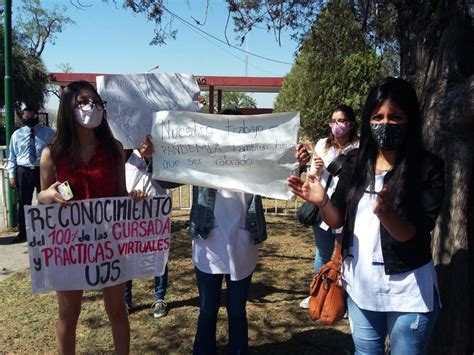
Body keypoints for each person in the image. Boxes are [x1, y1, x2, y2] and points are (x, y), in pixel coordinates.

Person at [288, 77, 444, 354]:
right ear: (368, 120)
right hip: (361, 287)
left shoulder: (428, 167)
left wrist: (386, 214)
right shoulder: (354, 163)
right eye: (378, 117)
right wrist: (323, 201)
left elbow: (415, 234)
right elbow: (337, 220)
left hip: (409, 290)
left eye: (396, 117)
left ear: (411, 120)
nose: (386, 124)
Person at [37, 80, 146, 355]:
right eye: (83, 102)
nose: (91, 107)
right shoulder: (52, 154)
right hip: (70, 245)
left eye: (96, 102)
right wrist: (45, 197)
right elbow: (43, 197)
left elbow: (120, 195)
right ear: (68, 109)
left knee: (117, 310)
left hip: (109, 243)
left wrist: (133, 199)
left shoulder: (113, 150)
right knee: (68, 314)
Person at [297, 105, 359, 309]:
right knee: (322, 253)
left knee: (345, 255)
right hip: (322, 208)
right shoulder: (323, 144)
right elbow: (312, 177)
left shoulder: (360, 147)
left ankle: (344, 299)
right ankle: (317, 294)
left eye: (340, 121)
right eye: (333, 121)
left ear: (350, 124)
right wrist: (315, 169)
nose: (336, 125)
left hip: (346, 209)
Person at [123, 139, 179, 318]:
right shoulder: (126, 162)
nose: (147, 144)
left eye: (150, 140)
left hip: (156, 220)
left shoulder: (162, 162)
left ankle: (159, 298)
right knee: (127, 255)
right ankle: (125, 299)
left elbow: (174, 181)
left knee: (159, 256)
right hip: (130, 220)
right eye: (143, 140)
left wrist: (154, 161)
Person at [7, 107, 54, 242]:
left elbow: (55, 152)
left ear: (36, 116)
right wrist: (12, 175)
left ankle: (48, 232)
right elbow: (12, 156)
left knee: (46, 202)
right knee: (24, 203)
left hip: (43, 170)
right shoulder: (17, 134)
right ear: (22, 117)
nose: (28, 118)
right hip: (23, 170)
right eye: (25, 116)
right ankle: (23, 233)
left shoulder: (48, 132)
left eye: (31, 116)